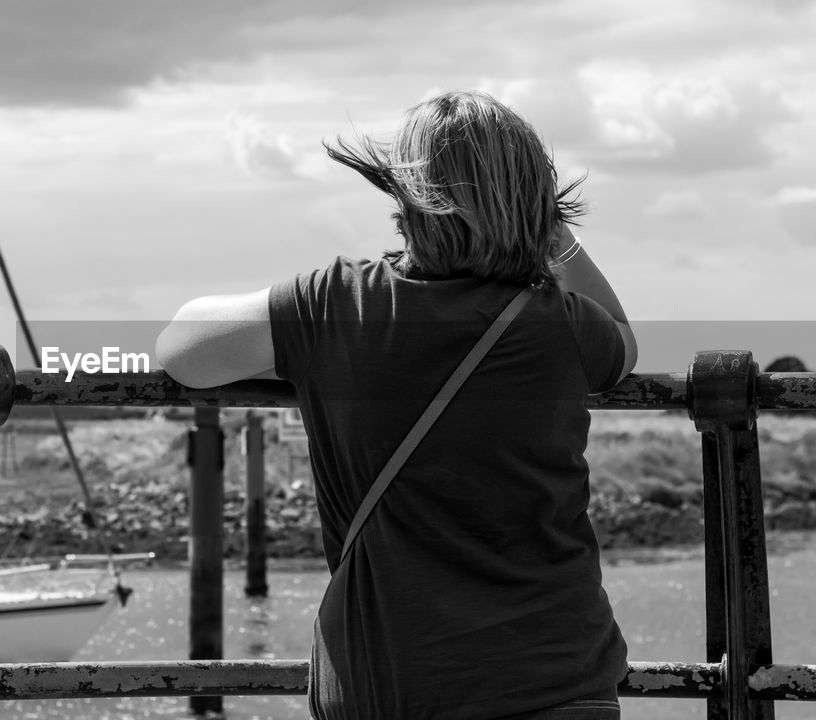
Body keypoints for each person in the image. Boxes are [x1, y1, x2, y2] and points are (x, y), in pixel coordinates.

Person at [156, 90, 636, 719]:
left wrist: (305, 355)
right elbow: (622, 342)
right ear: (539, 206)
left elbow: (181, 347)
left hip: (392, 681)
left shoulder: (340, 305)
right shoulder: (569, 327)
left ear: (405, 197)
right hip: (558, 679)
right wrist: (551, 233)